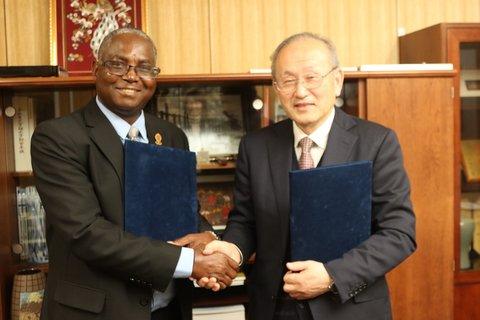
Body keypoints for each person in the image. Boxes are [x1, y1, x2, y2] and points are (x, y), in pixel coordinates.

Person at [201, 32, 417, 320]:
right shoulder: (255, 146)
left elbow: (398, 233)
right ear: (277, 88)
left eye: (312, 77)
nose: (300, 91)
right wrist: (230, 252)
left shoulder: (377, 142)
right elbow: (246, 221)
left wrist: (331, 275)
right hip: (274, 308)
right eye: (288, 80)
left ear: (337, 80)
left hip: (348, 308)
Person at [31, 28, 238, 320]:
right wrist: (191, 262)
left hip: (167, 309)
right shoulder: (57, 138)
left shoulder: (171, 135)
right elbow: (87, 233)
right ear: (96, 69)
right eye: (118, 64)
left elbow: (181, 210)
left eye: (144, 67)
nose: (131, 75)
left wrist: (205, 236)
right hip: (96, 313)